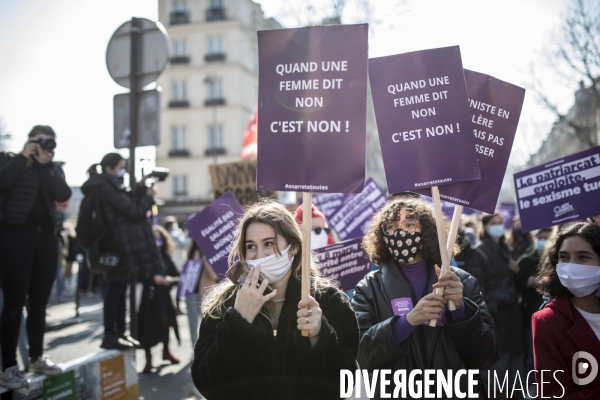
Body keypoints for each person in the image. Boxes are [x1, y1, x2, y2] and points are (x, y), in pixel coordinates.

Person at [191, 199, 359, 399]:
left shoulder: (328, 301)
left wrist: (319, 337)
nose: (260, 255)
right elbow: (207, 384)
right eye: (251, 246)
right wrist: (238, 322)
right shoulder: (224, 304)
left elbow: (345, 385)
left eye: (269, 244)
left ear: (294, 247)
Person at [352, 198, 499, 398]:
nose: (400, 233)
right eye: (391, 227)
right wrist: (407, 321)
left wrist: (461, 311)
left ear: (428, 231)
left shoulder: (462, 282)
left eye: (410, 224)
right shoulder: (368, 288)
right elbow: (359, 354)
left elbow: (486, 356)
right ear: (382, 236)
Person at [0, 126, 71, 389]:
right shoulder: (10, 160)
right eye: (38, 141)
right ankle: (8, 367)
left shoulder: (52, 167)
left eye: (48, 142)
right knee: (14, 301)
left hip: (47, 237)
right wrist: (23, 157)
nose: (43, 146)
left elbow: (63, 194)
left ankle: (36, 357)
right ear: (29, 140)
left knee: (40, 302)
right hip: (15, 235)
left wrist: (47, 165)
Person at [80, 153, 162, 351]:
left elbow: (128, 201)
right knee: (114, 293)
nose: (123, 172)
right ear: (109, 168)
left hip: (118, 246)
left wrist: (140, 188)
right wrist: (148, 198)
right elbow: (132, 211)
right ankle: (111, 334)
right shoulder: (107, 188)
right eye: (120, 167)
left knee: (119, 291)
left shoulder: (108, 187)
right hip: (115, 247)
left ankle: (119, 332)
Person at [533, 222, 600, 396]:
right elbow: (554, 394)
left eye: (583, 257)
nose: (571, 266)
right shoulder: (547, 321)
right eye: (564, 257)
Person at [474, 212, 526, 394]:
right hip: (497, 315)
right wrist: (491, 312)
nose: (498, 226)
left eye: (500, 222)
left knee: (515, 361)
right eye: (493, 223)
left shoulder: (506, 249)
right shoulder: (479, 252)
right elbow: (479, 288)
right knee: (498, 363)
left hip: (513, 312)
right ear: (486, 227)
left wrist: (517, 271)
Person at [138, 225, 181, 373]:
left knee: (165, 322)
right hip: (148, 297)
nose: (157, 241)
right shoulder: (144, 257)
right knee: (147, 325)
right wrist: (152, 278)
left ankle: (166, 351)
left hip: (163, 296)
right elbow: (138, 274)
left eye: (159, 237)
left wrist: (169, 279)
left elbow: (176, 275)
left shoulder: (166, 257)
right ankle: (148, 358)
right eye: (154, 237)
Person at [516, 227, 553, 373]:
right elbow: (516, 286)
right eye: (540, 237)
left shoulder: (555, 260)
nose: (543, 240)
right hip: (530, 314)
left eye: (546, 237)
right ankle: (533, 386)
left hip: (550, 315)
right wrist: (526, 282)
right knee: (533, 355)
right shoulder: (526, 260)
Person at [178, 240, 218, 349]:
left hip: (206, 292)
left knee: (208, 323)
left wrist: (206, 262)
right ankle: (194, 349)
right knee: (192, 322)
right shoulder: (191, 253)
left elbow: (215, 276)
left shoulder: (211, 253)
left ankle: (207, 348)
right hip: (191, 292)